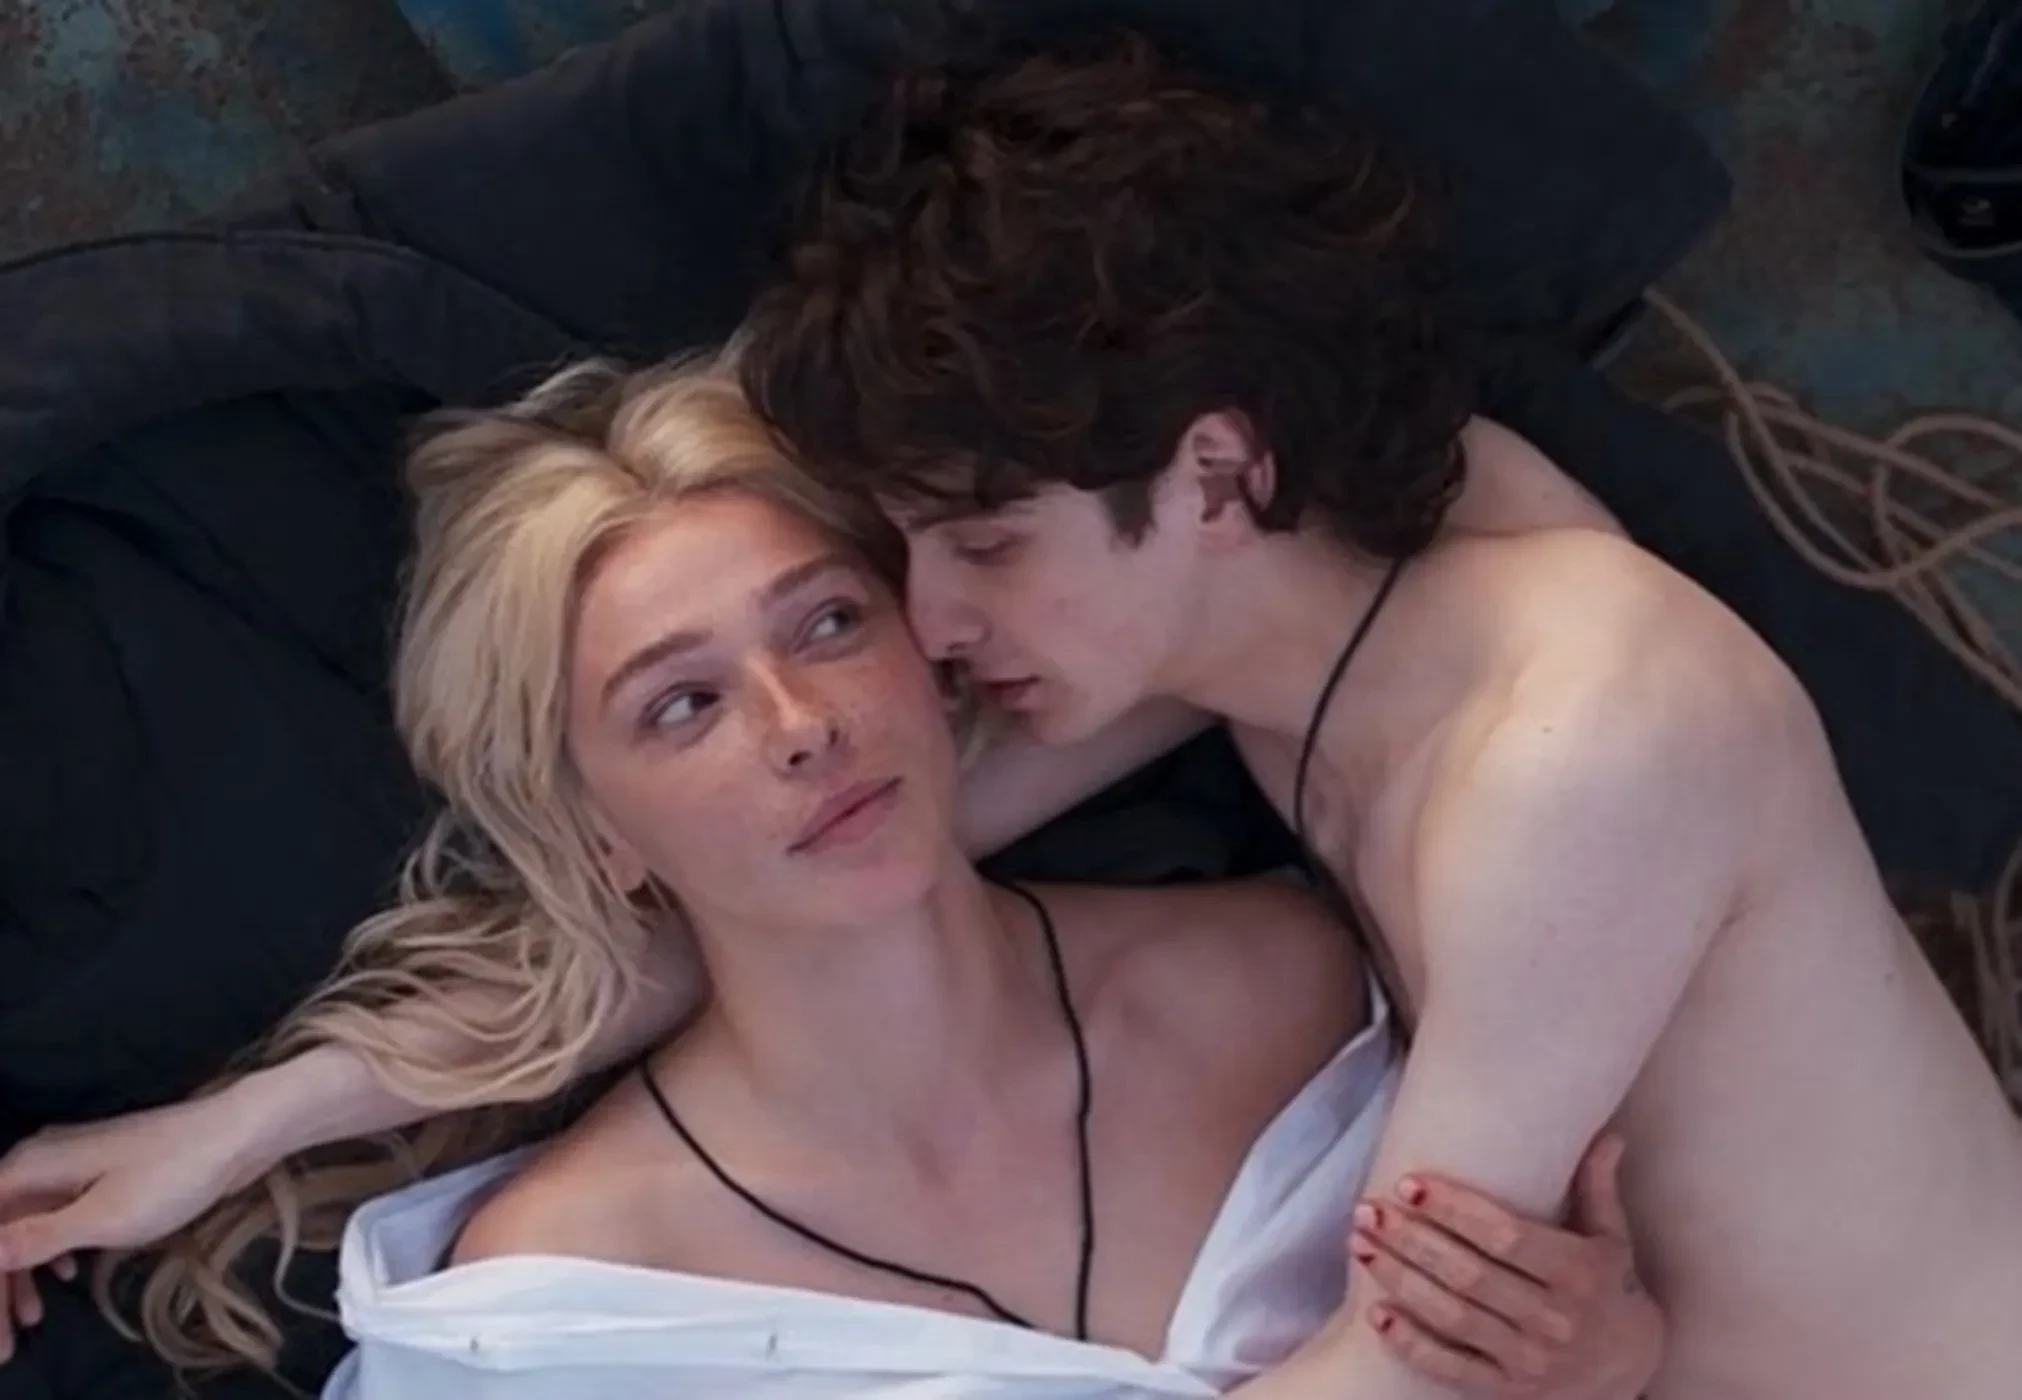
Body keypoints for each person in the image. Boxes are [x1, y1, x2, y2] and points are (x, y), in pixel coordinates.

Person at [724, 30, 2022, 1400]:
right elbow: (877, 833)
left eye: (986, 547)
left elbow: (1399, 1371)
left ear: (1215, 477)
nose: (929, 623)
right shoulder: (1290, 606)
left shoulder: (1573, 750)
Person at [0, 358, 1660, 1398]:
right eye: (681, 706)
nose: (800, 726)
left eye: (828, 623)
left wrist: (1603, 1357)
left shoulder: (1292, 978)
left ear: (932, 647)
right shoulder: (568, 1307)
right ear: (595, 833)